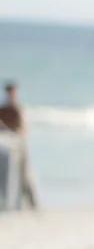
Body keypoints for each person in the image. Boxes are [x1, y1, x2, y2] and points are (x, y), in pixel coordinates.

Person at [0, 80, 39, 209]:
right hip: (8, 143)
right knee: (8, 174)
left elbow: (23, 129)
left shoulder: (18, 108)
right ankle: (8, 203)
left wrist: (13, 131)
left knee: (25, 174)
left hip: (19, 144)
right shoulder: (4, 109)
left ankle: (32, 204)